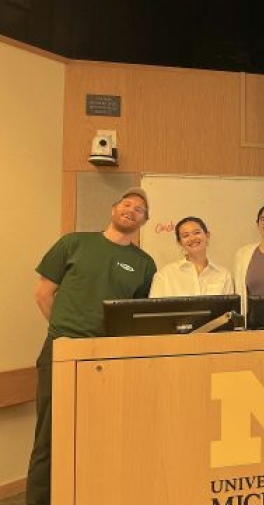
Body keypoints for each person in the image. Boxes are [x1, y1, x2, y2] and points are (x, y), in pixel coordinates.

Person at [26, 187, 157, 505]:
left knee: (101, 435)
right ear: (114, 208)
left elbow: (134, 317)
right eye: (126, 204)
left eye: (139, 209)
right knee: (50, 436)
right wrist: (64, 331)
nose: (131, 210)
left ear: (145, 220)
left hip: (109, 359)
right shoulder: (74, 242)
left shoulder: (145, 264)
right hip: (62, 351)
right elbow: (43, 293)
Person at [149, 216, 233, 297]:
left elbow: (229, 309)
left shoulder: (224, 275)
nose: (192, 238)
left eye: (197, 233)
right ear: (179, 242)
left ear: (207, 236)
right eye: (186, 236)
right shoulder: (164, 276)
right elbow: (155, 310)